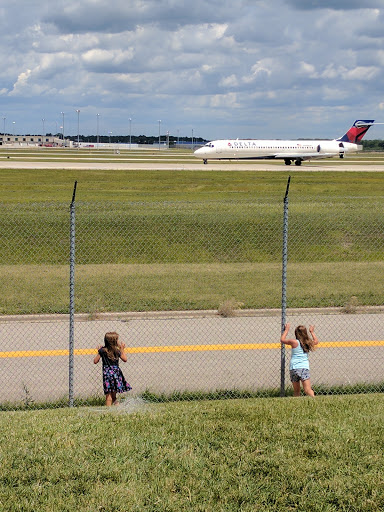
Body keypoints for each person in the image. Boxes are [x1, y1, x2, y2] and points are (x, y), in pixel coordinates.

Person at [280, 323, 319, 397]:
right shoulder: (308, 342)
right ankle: (314, 399)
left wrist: (286, 330)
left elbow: (282, 339)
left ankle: (296, 403)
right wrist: (312, 332)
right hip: (304, 368)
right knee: (307, 390)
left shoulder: (294, 342)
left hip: (294, 368)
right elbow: (316, 341)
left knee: (296, 391)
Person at [94, 331, 132, 406]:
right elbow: (125, 359)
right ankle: (113, 408)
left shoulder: (103, 350)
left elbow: (95, 361)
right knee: (113, 395)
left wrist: (99, 352)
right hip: (115, 375)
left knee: (108, 395)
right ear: (114, 341)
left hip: (107, 375)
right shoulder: (117, 351)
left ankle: (109, 410)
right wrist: (122, 349)